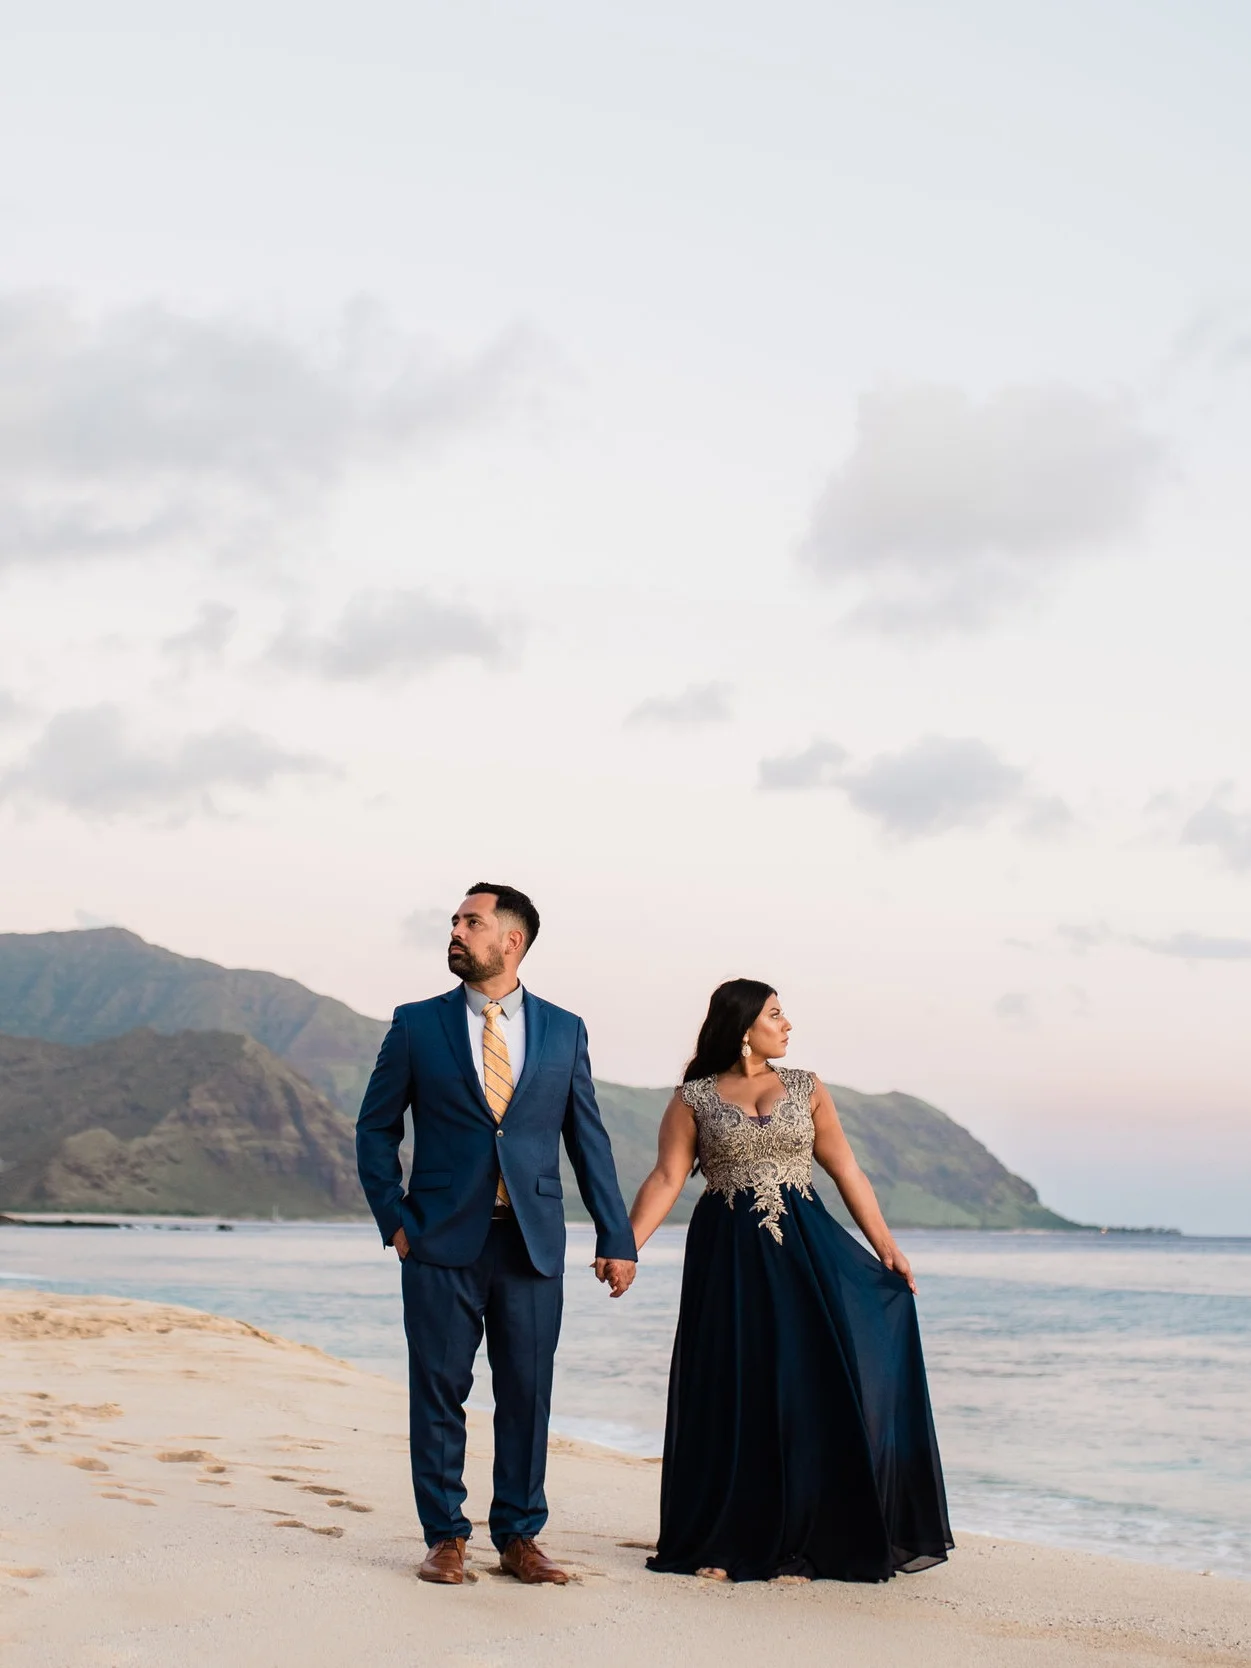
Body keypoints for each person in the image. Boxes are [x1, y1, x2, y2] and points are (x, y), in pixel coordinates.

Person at [356, 883, 637, 1587]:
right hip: (440, 1238)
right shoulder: (416, 1024)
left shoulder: (564, 1029)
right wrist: (394, 1219)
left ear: (510, 940)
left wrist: (617, 1235)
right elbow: (375, 1128)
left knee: (526, 1392)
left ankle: (518, 1537)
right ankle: (445, 1537)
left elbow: (588, 1140)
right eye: (454, 920)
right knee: (439, 1390)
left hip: (532, 1241)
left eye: (470, 922)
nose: (455, 931)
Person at [630, 978, 953, 1583]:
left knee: (806, 1389)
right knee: (734, 1388)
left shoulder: (807, 1088)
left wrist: (887, 1248)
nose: (787, 1025)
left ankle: (805, 1543)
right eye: (776, 1015)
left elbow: (846, 1169)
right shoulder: (693, 1097)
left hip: (804, 1251)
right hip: (726, 1259)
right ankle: (725, 1541)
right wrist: (624, 1249)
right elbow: (668, 1177)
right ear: (745, 1024)